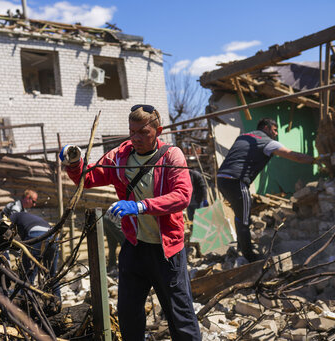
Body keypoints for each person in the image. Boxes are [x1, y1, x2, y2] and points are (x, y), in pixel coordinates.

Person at [59, 104, 201, 340]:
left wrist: (141, 206)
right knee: (129, 314)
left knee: (180, 315)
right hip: (134, 247)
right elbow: (89, 177)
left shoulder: (171, 156)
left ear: (158, 130)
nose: (135, 138)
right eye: (132, 132)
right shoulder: (119, 156)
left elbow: (182, 196)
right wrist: (75, 163)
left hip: (167, 251)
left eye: (143, 133)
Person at [217, 118, 316, 262]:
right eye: (274, 130)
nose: (275, 134)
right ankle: (250, 257)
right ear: (266, 128)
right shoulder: (267, 142)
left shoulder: (244, 136)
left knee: (241, 214)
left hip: (222, 178)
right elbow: (294, 155)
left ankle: (241, 247)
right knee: (243, 219)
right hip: (236, 181)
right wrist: (315, 160)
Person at [9, 211, 61, 300]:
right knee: (51, 274)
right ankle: (57, 301)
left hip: (36, 235)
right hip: (53, 237)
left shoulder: (14, 216)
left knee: (27, 275)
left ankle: (26, 302)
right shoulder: (30, 218)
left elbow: (7, 230)